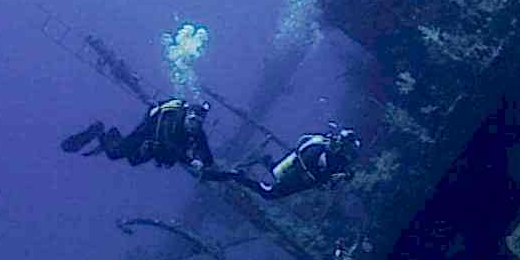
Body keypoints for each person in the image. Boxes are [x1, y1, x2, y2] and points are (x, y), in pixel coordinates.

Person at [194, 124, 361, 199]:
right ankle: (235, 175)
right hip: (297, 176)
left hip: (304, 180)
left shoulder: (339, 159)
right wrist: (323, 179)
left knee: (274, 173)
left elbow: (335, 175)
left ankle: (265, 160)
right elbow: (305, 166)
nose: (347, 155)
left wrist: (345, 176)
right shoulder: (318, 150)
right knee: (269, 193)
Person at [61, 99, 214, 170]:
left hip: (157, 148)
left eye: (198, 122)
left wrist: (208, 163)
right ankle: (99, 131)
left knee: (133, 160)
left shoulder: (197, 131)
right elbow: (167, 141)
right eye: (192, 120)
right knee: (115, 154)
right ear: (186, 115)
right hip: (145, 134)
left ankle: (110, 136)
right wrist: (190, 161)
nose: (194, 125)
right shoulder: (172, 121)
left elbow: (204, 149)